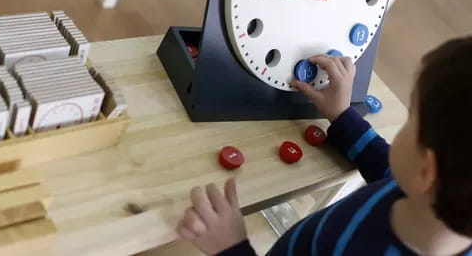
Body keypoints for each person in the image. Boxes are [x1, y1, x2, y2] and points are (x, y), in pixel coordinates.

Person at [176, 37, 472, 255]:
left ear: (427, 172)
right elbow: (384, 166)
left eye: (412, 116)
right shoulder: (427, 200)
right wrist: (342, 116)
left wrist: (231, 247)